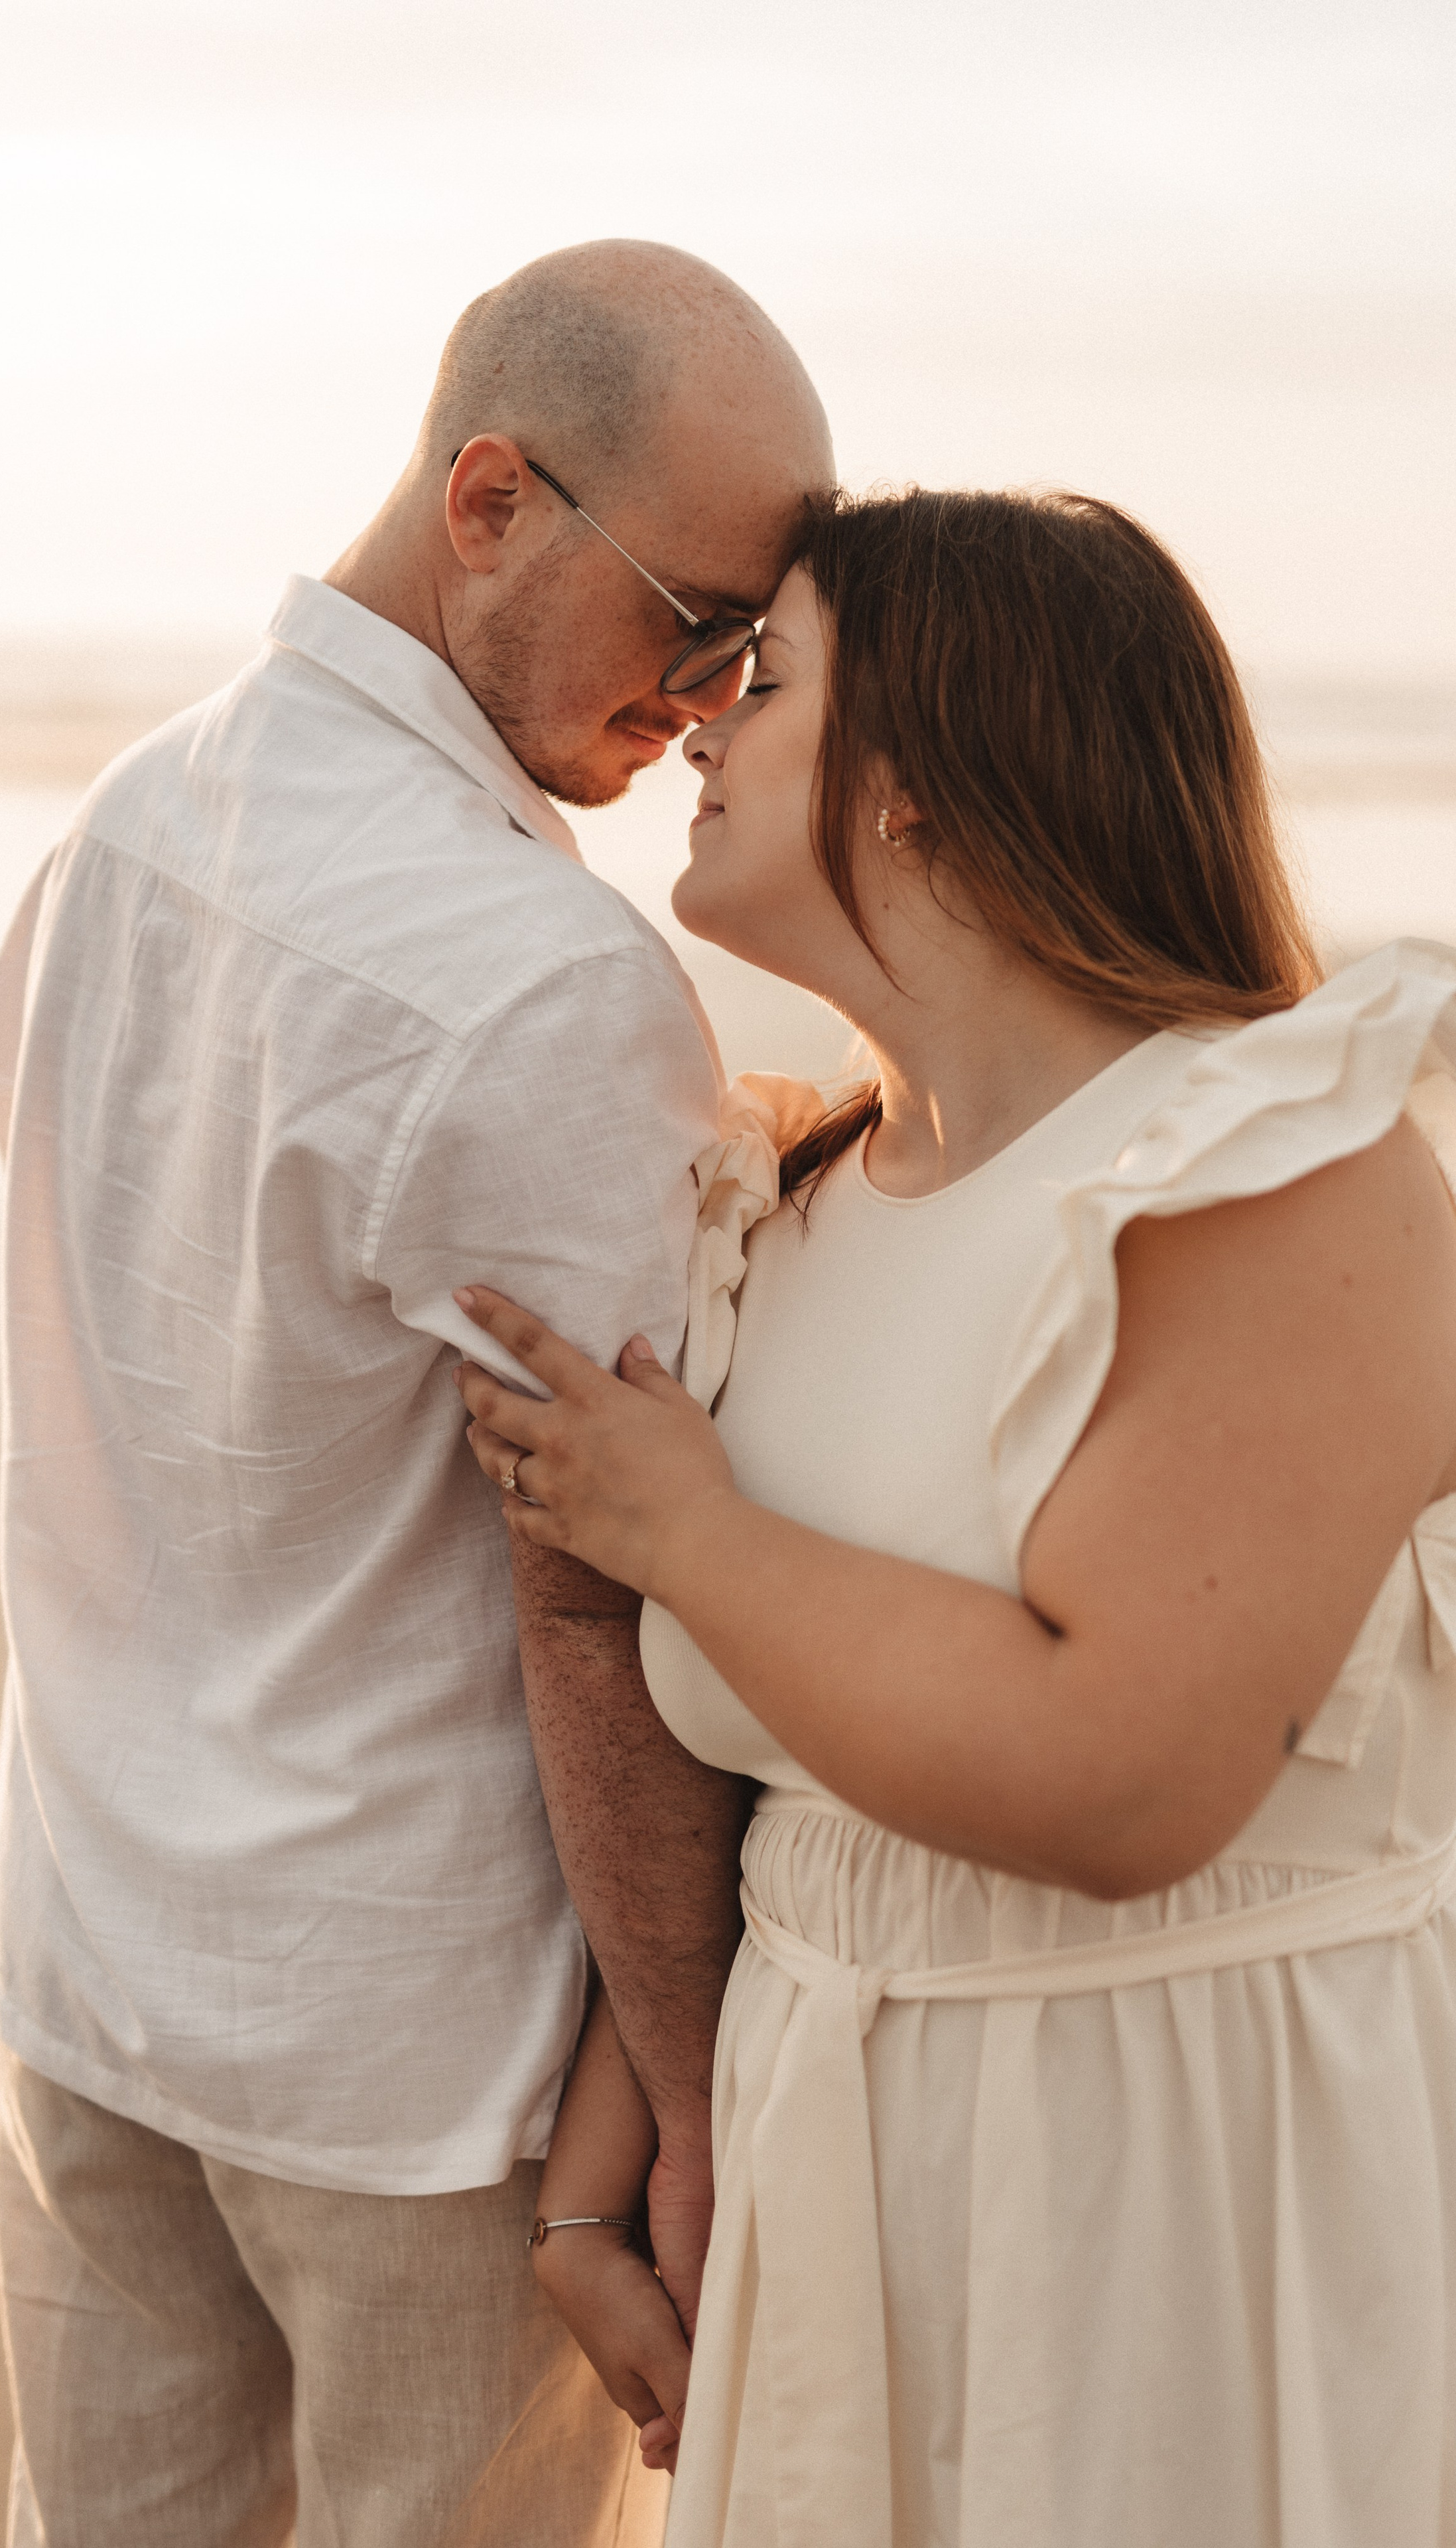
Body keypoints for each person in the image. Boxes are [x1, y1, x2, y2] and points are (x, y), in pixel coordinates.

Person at [456, 485, 1456, 2545]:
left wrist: (688, 1531)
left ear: (920, 782)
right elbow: (787, 1801)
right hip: (839, 2176)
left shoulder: (1277, 1172)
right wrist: (599, 2177)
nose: (702, 724)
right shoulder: (787, 1209)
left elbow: (1121, 1781)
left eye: (768, 680)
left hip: (1167, 2172)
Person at [0, 239, 832, 2548]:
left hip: (82, 1956)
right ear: (487, 499)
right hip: (413, 2067)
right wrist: (685, 2087)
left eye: (759, 651)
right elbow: (602, 1600)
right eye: (696, 620)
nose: (718, 692)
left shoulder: (120, 827)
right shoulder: (547, 983)